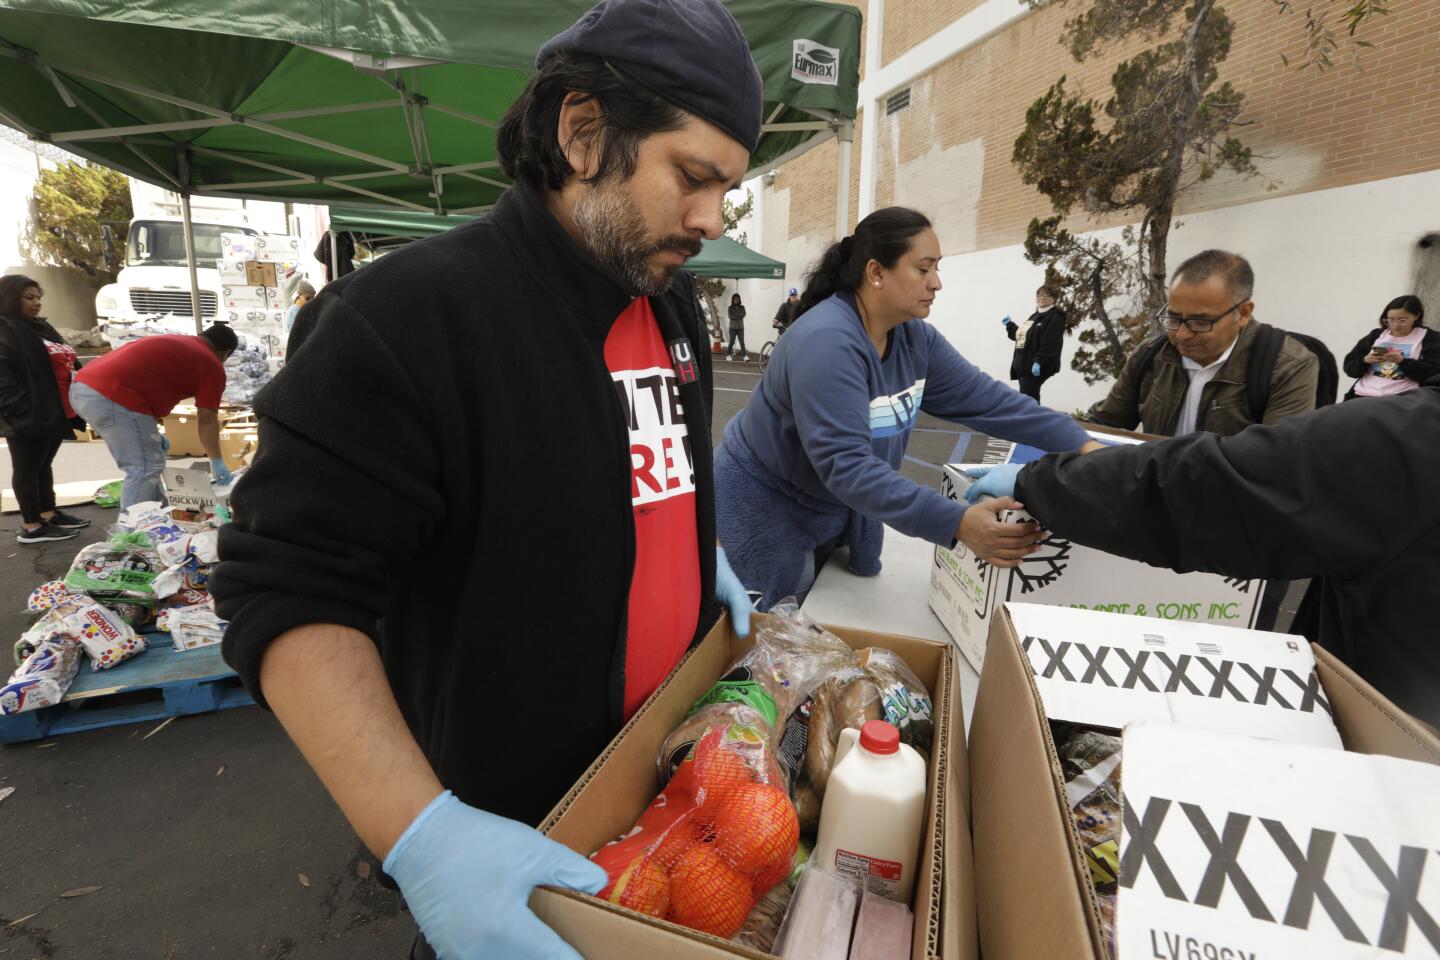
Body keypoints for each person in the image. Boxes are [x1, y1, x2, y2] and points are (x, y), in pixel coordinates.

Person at [209, 3, 762, 958]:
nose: (711, 220)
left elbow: (633, 474)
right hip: (513, 854)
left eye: (729, 191)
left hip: (668, 816)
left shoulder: (669, 308)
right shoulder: (404, 318)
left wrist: (690, 542)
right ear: (583, 134)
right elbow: (286, 591)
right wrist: (423, 838)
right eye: (694, 177)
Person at [962, 380, 1440, 730]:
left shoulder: (1402, 436)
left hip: (1398, 738)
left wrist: (1043, 483)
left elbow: (1222, 487)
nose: (1185, 330)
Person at [714, 207, 1103, 609]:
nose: (936, 283)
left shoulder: (915, 339)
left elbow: (992, 401)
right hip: (767, 511)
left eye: (937, 268)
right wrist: (957, 522)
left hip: (832, 506)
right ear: (876, 272)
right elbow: (847, 467)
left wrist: (1083, 444)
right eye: (923, 269)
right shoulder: (826, 343)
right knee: (763, 643)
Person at [1085, 249, 1319, 436]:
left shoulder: (1289, 367)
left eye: (1200, 322)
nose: (1182, 335)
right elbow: (1104, 423)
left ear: (1243, 313)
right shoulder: (1150, 356)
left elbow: (1277, 459)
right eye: (1174, 318)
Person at [70, 324, 238, 512]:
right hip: (112, 395)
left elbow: (146, 379)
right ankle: (129, 534)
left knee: (151, 459)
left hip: (82, 388)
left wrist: (150, 432)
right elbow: (207, 417)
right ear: (225, 353)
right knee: (144, 467)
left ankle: (157, 519)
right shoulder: (210, 363)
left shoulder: (181, 343)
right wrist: (216, 459)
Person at [0, 275, 91, 544]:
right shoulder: (6, 330)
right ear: (10, 298)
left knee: (43, 465)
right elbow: (3, 378)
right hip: (28, 414)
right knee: (27, 469)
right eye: (29, 298)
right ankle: (31, 525)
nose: (36, 303)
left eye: (38, 297)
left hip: (54, 410)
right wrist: (24, 409)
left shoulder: (40, 327)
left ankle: (48, 513)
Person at [1342, 294, 1438, 399]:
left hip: (1403, 400)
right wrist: (1364, 361)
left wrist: (1402, 361)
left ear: (1417, 316)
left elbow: (1433, 375)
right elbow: (1349, 368)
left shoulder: (1430, 339)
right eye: (1390, 320)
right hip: (1362, 395)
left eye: (1402, 320)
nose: (1395, 325)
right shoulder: (1376, 335)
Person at [1002, 285, 1066, 402]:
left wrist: (1039, 362)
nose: (1042, 298)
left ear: (1054, 299)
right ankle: (1033, 419)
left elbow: (1050, 342)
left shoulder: (1055, 317)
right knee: (1029, 397)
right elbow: (1023, 336)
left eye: (1046, 295)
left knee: (1027, 398)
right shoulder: (1034, 316)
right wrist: (1010, 325)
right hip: (1024, 365)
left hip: (1036, 366)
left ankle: (1030, 419)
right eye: (1039, 295)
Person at [727, 292, 748, 359]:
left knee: (742, 342)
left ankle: (744, 356)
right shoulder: (730, 308)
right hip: (732, 328)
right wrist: (739, 316)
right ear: (733, 300)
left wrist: (735, 314)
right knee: (732, 342)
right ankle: (728, 355)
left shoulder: (742, 307)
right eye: (735, 299)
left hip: (740, 328)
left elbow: (743, 314)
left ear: (739, 300)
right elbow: (730, 316)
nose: (736, 300)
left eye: (737, 299)